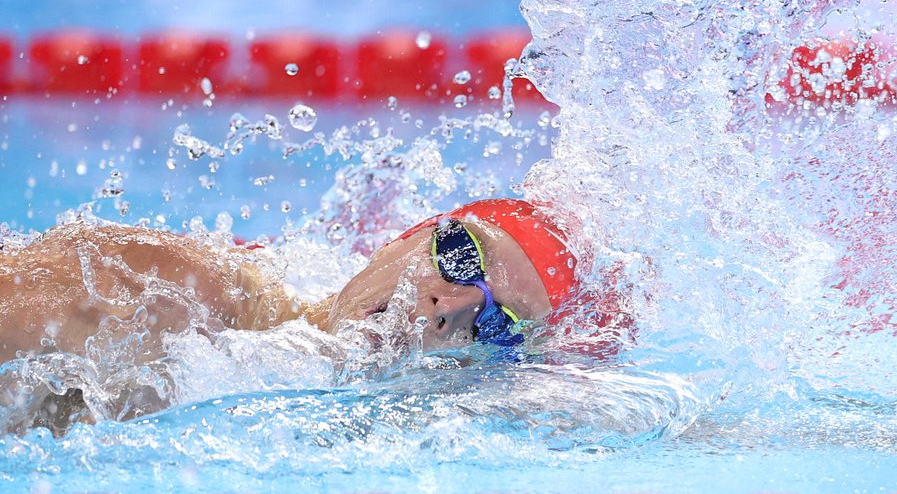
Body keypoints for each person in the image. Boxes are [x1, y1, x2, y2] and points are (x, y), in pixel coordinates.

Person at [0, 198, 577, 369]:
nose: (447, 305)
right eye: (459, 254)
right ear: (399, 241)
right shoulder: (173, 290)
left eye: (499, 323)